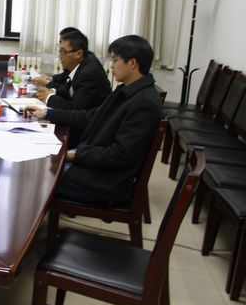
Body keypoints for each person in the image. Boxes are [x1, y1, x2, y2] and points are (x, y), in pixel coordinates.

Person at [26, 35, 161, 205]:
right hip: (95, 166)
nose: (111, 65)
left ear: (132, 63)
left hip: (105, 182)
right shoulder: (127, 90)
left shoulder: (144, 103)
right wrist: (48, 113)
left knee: (36, 174)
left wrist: (75, 155)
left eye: (115, 60)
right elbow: (90, 116)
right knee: (38, 163)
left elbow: (120, 155)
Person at [34, 30, 111, 111]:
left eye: (63, 51)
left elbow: (77, 109)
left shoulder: (88, 73)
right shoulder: (80, 65)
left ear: (78, 54)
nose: (59, 56)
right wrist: (53, 91)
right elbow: (70, 91)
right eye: (60, 51)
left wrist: (48, 98)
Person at [32, 27, 106, 89]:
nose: (59, 56)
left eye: (62, 41)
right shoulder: (82, 58)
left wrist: (48, 84)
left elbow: (70, 93)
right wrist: (50, 79)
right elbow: (65, 76)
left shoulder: (88, 69)